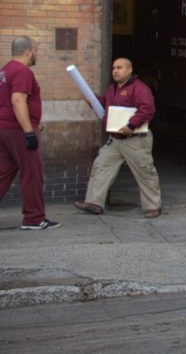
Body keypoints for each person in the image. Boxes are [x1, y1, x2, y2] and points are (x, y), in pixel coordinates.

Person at [74, 57, 162, 218]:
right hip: (115, 139)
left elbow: (147, 109)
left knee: (145, 172)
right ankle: (94, 203)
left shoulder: (139, 88)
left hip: (136, 140)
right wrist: (94, 101)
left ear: (129, 70)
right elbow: (107, 104)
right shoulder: (112, 88)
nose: (115, 70)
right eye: (114, 67)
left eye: (120, 68)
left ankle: (152, 207)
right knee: (101, 167)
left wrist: (130, 126)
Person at [0, 37, 60, 230]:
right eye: (36, 50)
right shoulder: (22, 71)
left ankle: (34, 218)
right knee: (32, 173)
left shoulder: (4, 70)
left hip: (5, 130)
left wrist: (33, 122)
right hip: (18, 130)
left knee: (3, 173)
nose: (37, 54)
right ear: (28, 51)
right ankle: (34, 219)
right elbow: (18, 101)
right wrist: (29, 131)